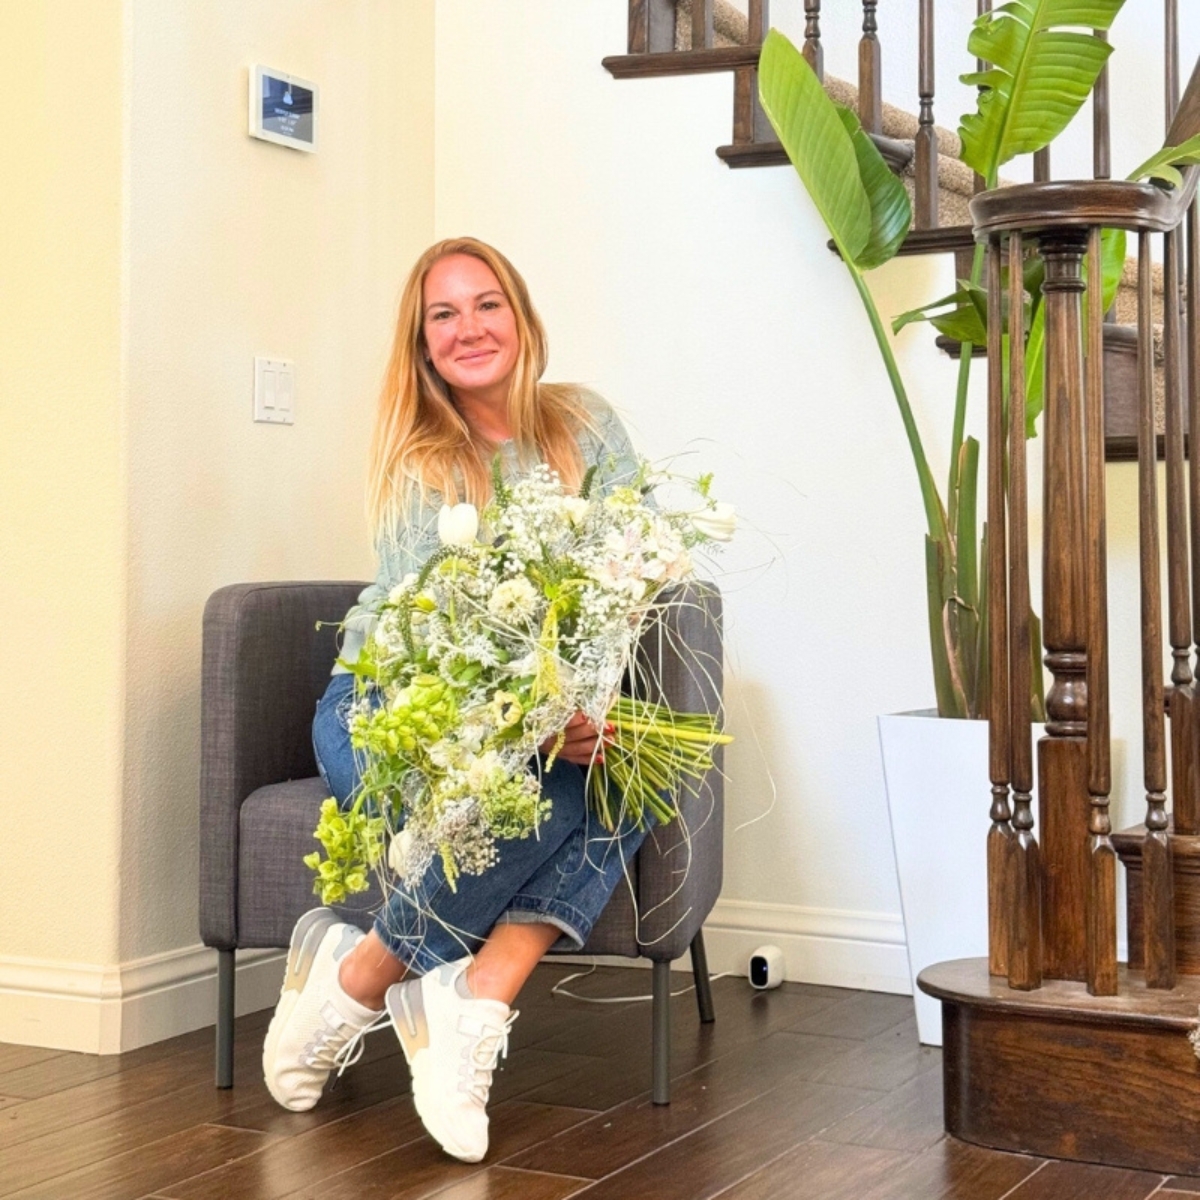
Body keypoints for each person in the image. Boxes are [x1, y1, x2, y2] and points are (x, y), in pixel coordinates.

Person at [261, 237, 650, 1163]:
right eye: (444, 314)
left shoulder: (585, 425)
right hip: (387, 708)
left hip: (544, 713)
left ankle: (454, 991)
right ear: (423, 344)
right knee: (519, 796)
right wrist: (536, 730)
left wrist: (583, 709)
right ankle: (383, 980)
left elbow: (630, 573)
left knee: (641, 767)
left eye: (487, 304)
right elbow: (435, 649)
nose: (469, 327)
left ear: (521, 318)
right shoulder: (419, 460)